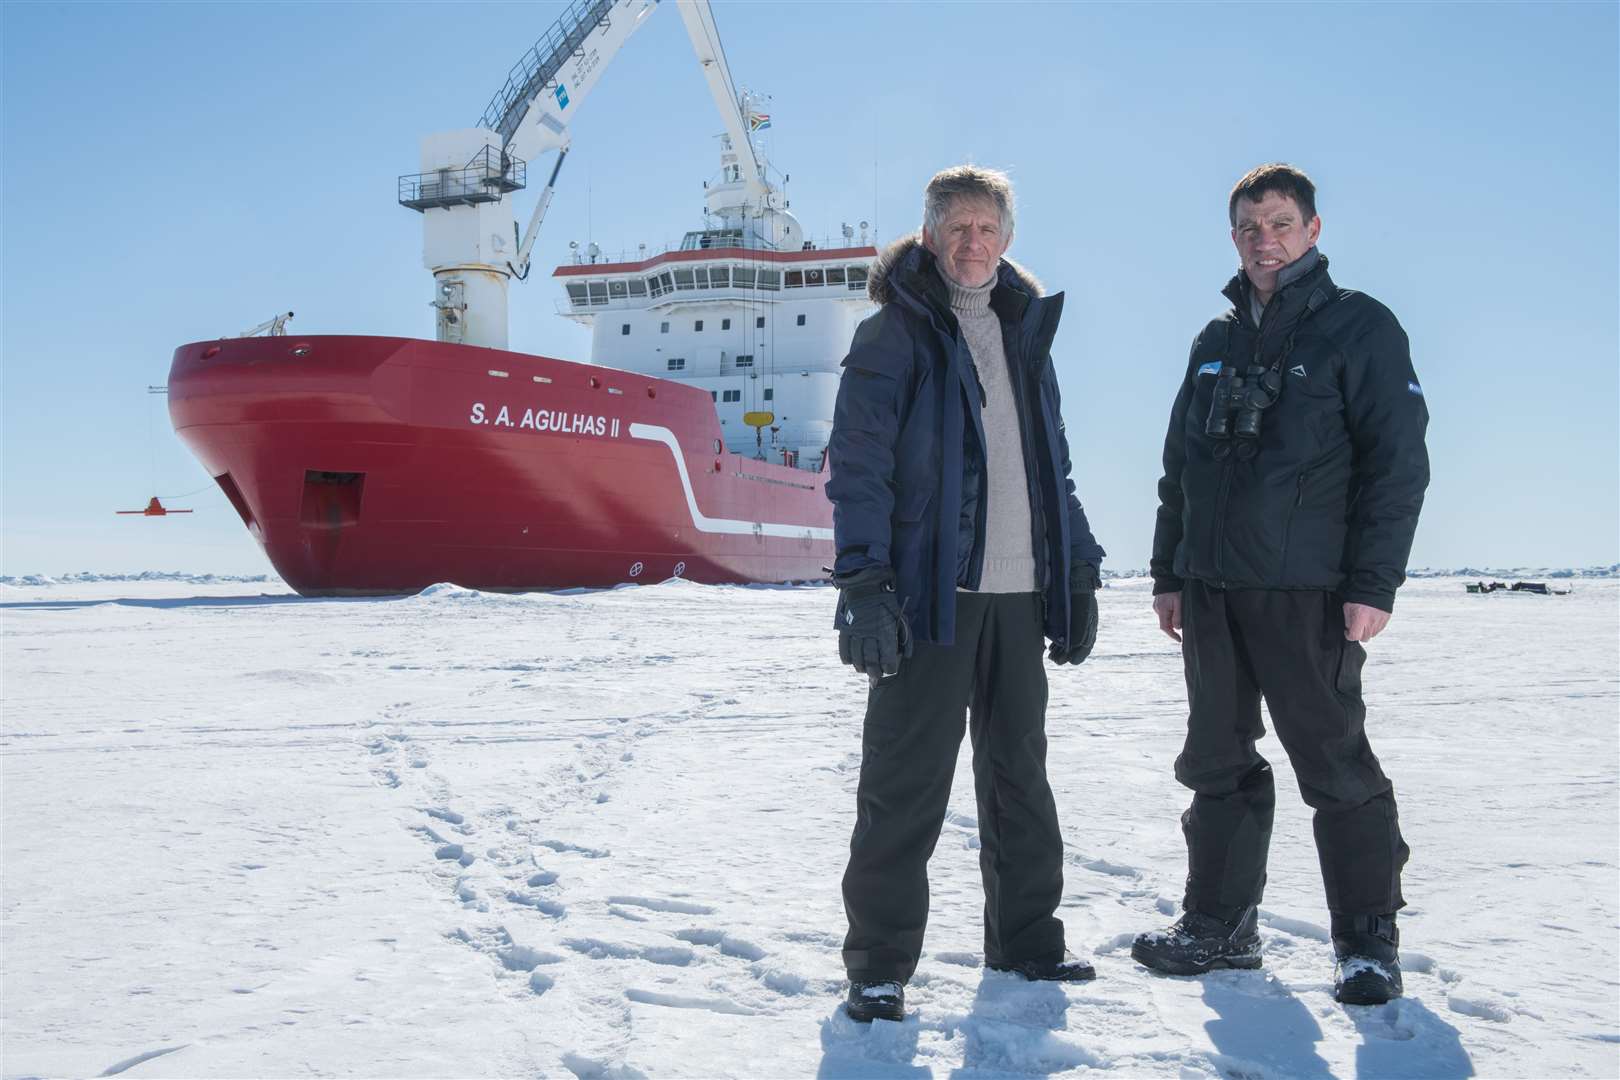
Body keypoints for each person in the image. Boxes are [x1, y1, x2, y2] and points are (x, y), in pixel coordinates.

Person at [1133, 163, 1430, 1006]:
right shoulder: (1214, 342)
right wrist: (1168, 573)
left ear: (1313, 230)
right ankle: (1221, 928)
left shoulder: (1360, 330)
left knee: (1334, 766)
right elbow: (1177, 469)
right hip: (1212, 592)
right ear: (1234, 238)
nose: (1266, 240)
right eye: (1250, 228)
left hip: (1310, 592)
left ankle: (1367, 943)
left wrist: (1374, 583)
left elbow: (1397, 467)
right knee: (1217, 762)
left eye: (1282, 224)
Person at [825, 165, 1106, 1023]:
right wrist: (865, 582)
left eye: (985, 228)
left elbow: (1050, 468)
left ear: (1007, 238)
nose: (971, 243)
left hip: (1020, 594)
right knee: (906, 783)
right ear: (929, 235)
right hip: (928, 595)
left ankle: (1026, 942)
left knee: (1020, 772)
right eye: (955, 228)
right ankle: (878, 965)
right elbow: (860, 462)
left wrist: (1081, 566)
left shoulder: (1025, 336)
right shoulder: (894, 335)